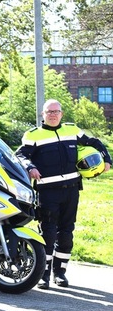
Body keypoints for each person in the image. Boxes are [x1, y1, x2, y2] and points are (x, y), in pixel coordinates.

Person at [16, 99, 111, 289]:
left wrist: (107, 160)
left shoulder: (72, 130)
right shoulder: (33, 135)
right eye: (49, 112)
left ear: (61, 113)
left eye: (56, 111)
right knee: (48, 233)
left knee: (66, 233)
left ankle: (60, 273)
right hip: (48, 192)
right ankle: (43, 274)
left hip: (71, 190)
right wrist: (31, 167)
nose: (52, 114)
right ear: (42, 115)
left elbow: (94, 142)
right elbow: (20, 155)